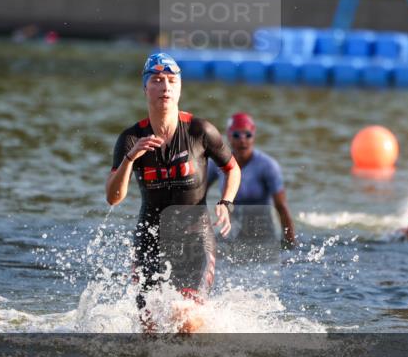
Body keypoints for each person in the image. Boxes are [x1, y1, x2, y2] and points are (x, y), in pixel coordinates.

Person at [106, 52, 240, 329]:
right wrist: (130, 159)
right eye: (157, 80)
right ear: (145, 88)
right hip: (150, 240)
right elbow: (113, 198)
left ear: (179, 88)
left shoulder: (199, 131)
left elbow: (232, 169)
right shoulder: (131, 138)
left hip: (195, 241)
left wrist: (226, 202)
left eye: (171, 81)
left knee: (186, 318)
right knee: (150, 325)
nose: (165, 88)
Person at [207, 113, 298, 249]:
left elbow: (282, 207)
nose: (243, 140)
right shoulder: (217, 164)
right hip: (233, 233)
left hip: (263, 233)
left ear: (253, 136)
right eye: (237, 135)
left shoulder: (267, 166)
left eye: (248, 135)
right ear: (229, 136)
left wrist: (291, 244)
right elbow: (198, 193)